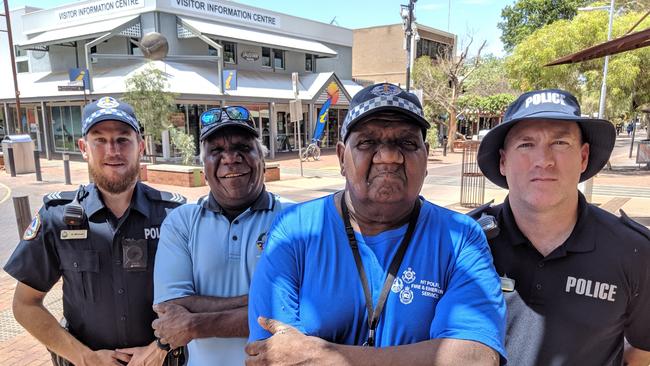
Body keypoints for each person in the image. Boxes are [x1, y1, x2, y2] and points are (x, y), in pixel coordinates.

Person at [246, 83, 506, 365]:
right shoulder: (294, 230)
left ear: (426, 155)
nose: (389, 156)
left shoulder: (460, 237)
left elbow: (477, 357)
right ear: (342, 157)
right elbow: (273, 355)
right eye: (368, 143)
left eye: (407, 143)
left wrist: (327, 358)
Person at [3, 96, 186, 366]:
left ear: (141, 147)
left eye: (123, 139)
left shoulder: (173, 216)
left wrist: (158, 349)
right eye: (100, 140)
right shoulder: (58, 217)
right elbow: (25, 305)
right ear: (83, 148)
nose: (112, 150)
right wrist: (85, 358)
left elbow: (196, 296)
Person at [472, 89, 650, 365]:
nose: (543, 160)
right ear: (503, 161)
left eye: (560, 142)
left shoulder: (634, 252)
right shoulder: (467, 242)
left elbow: (641, 353)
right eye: (526, 144)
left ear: (583, 157)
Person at [152, 106, 292, 366]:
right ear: (202, 168)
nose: (230, 158)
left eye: (243, 148)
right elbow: (170, 306)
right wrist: (261, 300)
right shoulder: (181, 222)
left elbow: (296, 310)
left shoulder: (295, 218)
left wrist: (194, 324)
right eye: (216, 151)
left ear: (262, 158)